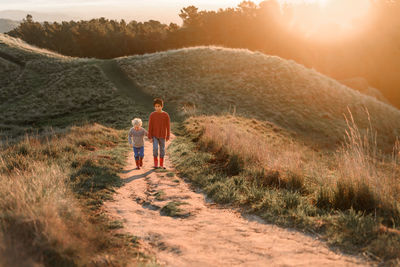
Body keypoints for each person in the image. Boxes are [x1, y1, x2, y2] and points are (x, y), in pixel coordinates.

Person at [148, 98, 170, 169]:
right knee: (155, 148)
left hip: (162, 135)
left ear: (162, 106)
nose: (157, 108)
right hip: (154, 135)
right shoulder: (152, 115)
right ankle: (155, 163)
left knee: (162, 149)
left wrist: (168, 136)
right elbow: (150, 126)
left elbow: (168, 126)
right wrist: (150, 137)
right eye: (156, 106)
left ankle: (161, 164)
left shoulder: (166, 115)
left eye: (159, 106)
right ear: (154, 107)